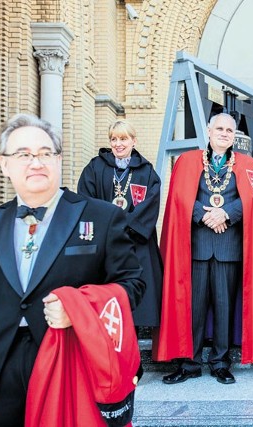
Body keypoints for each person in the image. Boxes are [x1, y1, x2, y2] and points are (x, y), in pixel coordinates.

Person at [0, 114, 145, 426]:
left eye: (44, 153)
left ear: (58, 159)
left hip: (70, 365)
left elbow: (132, 284)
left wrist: (80, 309)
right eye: (23, 154)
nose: (35, 162)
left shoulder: (103, 217)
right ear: (4, 164)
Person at [155, 113, 253, 385]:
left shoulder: (248, 165)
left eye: (229, 130)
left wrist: (227, 215)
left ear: (234, 135)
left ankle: (221, 362)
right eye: (219, 128)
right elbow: (179, 197)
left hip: (229, 247)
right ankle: (189, 364)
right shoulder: (188, 161)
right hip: (197, 247)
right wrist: (204, 214)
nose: (224, 133)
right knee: (194, 308)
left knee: (224, 307)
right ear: (208, 131)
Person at [77, 120, 163, 328]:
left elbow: (150, 204)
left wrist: (124, 228)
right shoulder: (95, 167)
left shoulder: (146, 171)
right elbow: (86, 200)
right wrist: (109, 229)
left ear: (134, 141)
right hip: (105, 243)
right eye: (114, 139)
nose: (118, 144)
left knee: (136, 303)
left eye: (123, 139)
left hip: (136, 241)